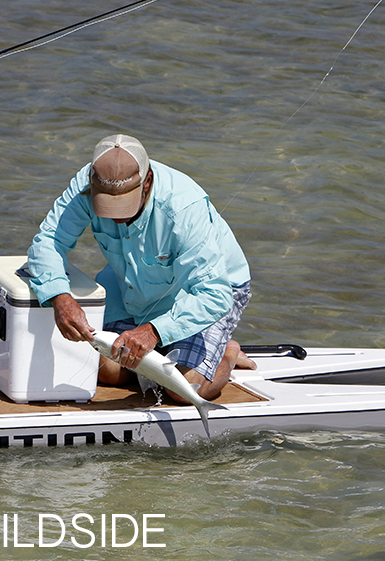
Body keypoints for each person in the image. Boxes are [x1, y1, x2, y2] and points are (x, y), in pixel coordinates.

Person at [27, 134, 254, 403]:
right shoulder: (86, 184)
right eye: (106, 206)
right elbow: (48, 242)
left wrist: (152, 331)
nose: (116, 216)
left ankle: (226, 351)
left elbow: (214, 295)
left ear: (146, 182)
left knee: (183, 389)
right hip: (133, 287)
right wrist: (59, 297)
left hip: (206, 290)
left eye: (125, 205)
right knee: (104, 369)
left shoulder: (184, 208)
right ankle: (168, 349)